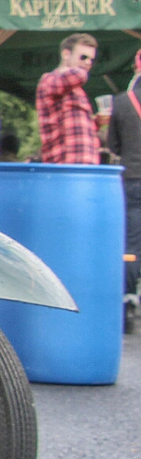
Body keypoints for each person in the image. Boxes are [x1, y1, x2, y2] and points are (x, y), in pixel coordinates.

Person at [106, 51, 141, 299]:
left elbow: (113, 146)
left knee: (132, 241)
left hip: (132, 178)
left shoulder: (120, 102)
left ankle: (128, 300)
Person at [36, 33, 99, 164]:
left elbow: (77, 127)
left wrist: (97, 122)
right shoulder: (50, 80)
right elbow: (80, 76)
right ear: (66, 54)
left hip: (83, 163)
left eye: (91, 59)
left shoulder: (75, 87)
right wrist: (81, 70)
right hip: (64, 164)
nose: (88, 63)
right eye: (83, 57)